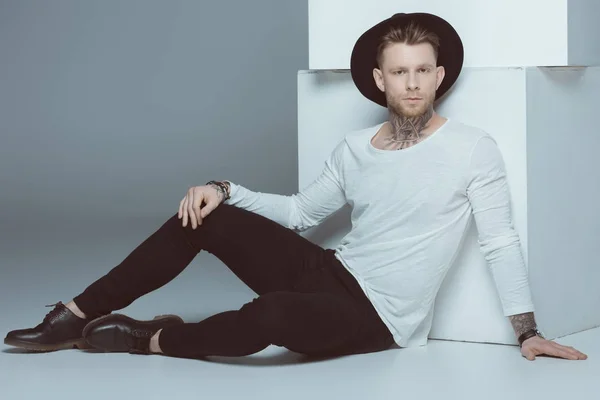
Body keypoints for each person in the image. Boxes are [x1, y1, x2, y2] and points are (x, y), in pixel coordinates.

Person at [4, 12, 587, 362]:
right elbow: (303, 212)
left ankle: (152, 339)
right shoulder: (356, 148)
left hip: (379, 319)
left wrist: (527, 332)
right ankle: (75, 316)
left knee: (274, 316)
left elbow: (500, 241)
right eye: (399, 72)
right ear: (380, 80)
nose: (412, 83)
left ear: (439, 75)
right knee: (205, 215)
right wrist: (224, 188)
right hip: (330, 270)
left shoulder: (472, 148)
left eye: (422, 70)